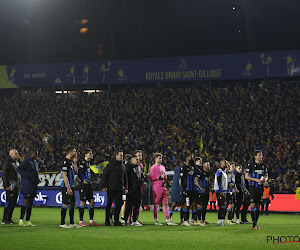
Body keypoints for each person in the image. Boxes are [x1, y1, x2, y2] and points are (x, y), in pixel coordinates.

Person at [100, 150, 128, 226]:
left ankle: (116, 220)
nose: (122, 157)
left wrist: (126, 187)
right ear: (116, 156)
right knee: (109, 204)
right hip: (111, 188)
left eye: (122, 155)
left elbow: (125, 177)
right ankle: (107, 220)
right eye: (120, 155)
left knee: (119, 204)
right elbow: (105, 176)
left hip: (119, 188)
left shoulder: (122, 166)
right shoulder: (110, 165)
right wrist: (104, 186)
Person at [150, 153, 177, 226]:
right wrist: (159, 178)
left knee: (165, 203)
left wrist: (164, 177)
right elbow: (151, 178)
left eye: (161, 158)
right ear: (155, 158)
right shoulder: (153, 167)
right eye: (159, 158)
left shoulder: (163, 167)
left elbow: (165, 176)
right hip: (157, 187)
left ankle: (168, 219)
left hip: (163, 187)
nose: (160, 159)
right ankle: (156, 220)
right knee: (157, 204)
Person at [16, 149, 40, 226]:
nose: (37, 156)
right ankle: (21, 220)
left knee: (30, 203)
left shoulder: (34, 162)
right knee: (26, 201)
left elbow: (35, 173)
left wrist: (37, 179)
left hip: (33, 185)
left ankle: (27, 220)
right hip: (27, 185)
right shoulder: (27, 161)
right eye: (36, 154)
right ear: (32, 154)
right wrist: (26, 176)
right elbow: (18, 169)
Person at [245, 150, 268, 229]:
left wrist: (265, 180)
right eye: (259, 155)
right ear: (255, 156)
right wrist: (256, 180)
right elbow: (246, 176)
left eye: (261, 155)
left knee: (258, 205)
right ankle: (254, 225)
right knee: (253, 204)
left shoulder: (264, 165)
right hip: (253, 187)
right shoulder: (251, 165)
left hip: (260, 187)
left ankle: (255, 224)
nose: (261, 156)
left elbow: (266, 175)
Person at [77, 148, 100, 226]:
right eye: (90, 153)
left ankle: (91, 221)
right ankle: (81, 221)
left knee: (92, 201)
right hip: (84, 185)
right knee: (83, 201)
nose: (91, 154)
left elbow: (89, 172)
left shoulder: (88, 163)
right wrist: (83, 179)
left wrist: (95, 178)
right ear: (85, 154)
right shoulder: (82, 163)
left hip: (89, 185)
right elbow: (79, 172)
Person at [60, 146, 81, 228]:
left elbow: (76, 172)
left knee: (72, 204)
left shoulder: (71, 162)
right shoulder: (65, 162)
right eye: (74, 151)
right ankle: (62, 223)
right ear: (70, 152)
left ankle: (72, 223)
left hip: (71, 186)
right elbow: (64, 176)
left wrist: (75, 163)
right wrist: (68, 188)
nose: (76, 153)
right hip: (66, 186)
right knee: (65, 204)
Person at [1, 149, 20, 224]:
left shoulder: (16, 162)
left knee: (13, 202)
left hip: (16, 185)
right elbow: (4, 174)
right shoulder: (7, 163)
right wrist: (6, 185)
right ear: (11, 154)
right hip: (10, 185)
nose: (17, 154)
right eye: (16, 153)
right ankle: (4, 219)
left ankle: (9, 218)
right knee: (8, 202)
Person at [124, 155, 144, 226]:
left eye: (138, 160)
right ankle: (125, 220)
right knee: (129, 206)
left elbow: (141, 176)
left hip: (137, 189)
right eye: (137, 160)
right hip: (131, 190)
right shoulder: (128, 168)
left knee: (137, 206)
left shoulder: (138, 167)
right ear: (132, 160)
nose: (138, 161)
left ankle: (134, 220)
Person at [180, 155, 198, 226]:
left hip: (193, 190)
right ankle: (185, 220)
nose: (192, 160)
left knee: (194, 204)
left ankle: (194, 220)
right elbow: (181, 180)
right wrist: (184, 189)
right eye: (191, 159)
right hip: (187, 190)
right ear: (187, 159)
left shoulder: (193, 168)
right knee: (186, 205)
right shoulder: (184, 168)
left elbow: (198, 173)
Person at [194, 160, 211, 225]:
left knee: (205, 206)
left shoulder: (208, 173)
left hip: (206, 192)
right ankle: (198, 220)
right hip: (201, 192)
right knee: (200, 205)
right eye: (207, 164)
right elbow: (196, 180)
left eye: (209, 165)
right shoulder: (200, 173)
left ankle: (203, 220)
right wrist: (200, 188)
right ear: (204, 166)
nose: (208, 166)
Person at [214, 159, 228, 226]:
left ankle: (222, 220)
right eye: (225, 163)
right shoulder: (219, 171)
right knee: (221, 206)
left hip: (223, 190)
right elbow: (219, 182)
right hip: (220, 191)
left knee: (223, 206)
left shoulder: (223, 172)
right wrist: (221, 191)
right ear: (222, 164)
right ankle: (219, 221)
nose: (226, 164)